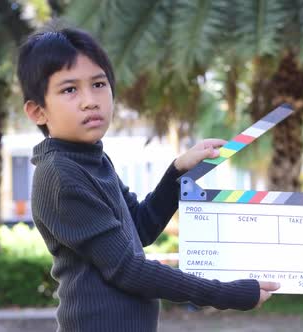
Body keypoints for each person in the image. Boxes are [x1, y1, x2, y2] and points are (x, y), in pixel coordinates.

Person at [16, 26, 279, 331]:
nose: (90, 100)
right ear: (37, 112)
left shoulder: (92, 160)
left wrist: (177, 171)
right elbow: (128, 269)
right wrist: (226, 293)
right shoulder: (60, 176)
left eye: (99, 84)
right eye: (70, 89)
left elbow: (139, 227)